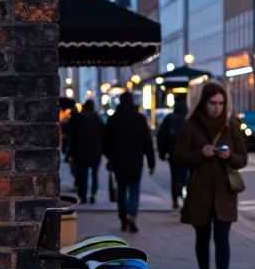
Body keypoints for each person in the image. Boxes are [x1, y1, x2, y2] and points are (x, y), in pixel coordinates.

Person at [173, 81, 247, 269]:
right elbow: (178, 155)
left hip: (225, 191)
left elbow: (242, 157)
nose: (217, 107)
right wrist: (199, 154)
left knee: (222, 237)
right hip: (200, 191)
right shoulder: (192, 126)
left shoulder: (230, 126)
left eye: (221, 103)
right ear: (204, 103)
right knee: (202, 237)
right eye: (213, 103)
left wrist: (230, 156)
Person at [103, 89, 155, 233]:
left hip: (119, 161)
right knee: (134, 189)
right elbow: (147, 142)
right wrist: (151, 162)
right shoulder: (140, 119)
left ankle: (122, 217)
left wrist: (110, 157)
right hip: (135, 162)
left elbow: (106, 141)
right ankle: (132, 214)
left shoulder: (114, 118)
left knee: (121, 190)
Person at [156, 95, 190, 209]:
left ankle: (175, 200)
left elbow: (161, 136)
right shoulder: (188, 121)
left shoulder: (169, 119)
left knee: (174, 178)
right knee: (185, 178)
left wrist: (162, 152)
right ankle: (185, 199)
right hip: (187, 155)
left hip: (173, 154)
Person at [68, 99, 104, 203]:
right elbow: (103, 135)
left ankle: (82, 195)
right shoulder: (98, 119)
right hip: (95, 152)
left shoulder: (79, 118)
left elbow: (73, 134)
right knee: (94, 174)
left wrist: (70, 149)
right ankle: (93, 193)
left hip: (80, 152)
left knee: (82, 175)